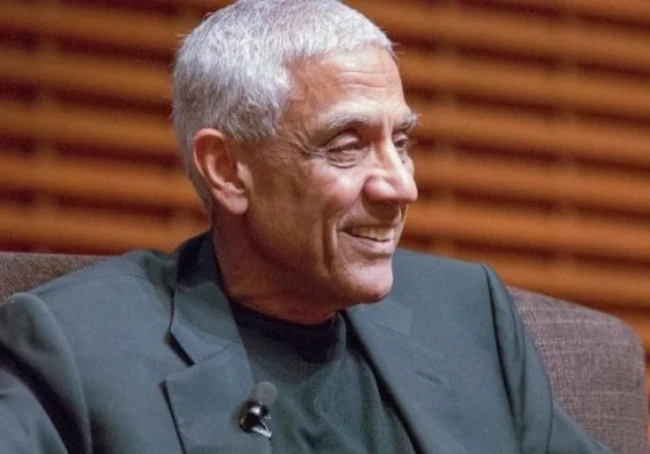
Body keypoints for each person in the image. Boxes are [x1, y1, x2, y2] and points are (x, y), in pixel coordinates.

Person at [0, 1, 612, 452]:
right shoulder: (77, 348)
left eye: (400, 142)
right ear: (228, 170)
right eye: (347, 146)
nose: (401, 186)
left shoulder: (467, 315)